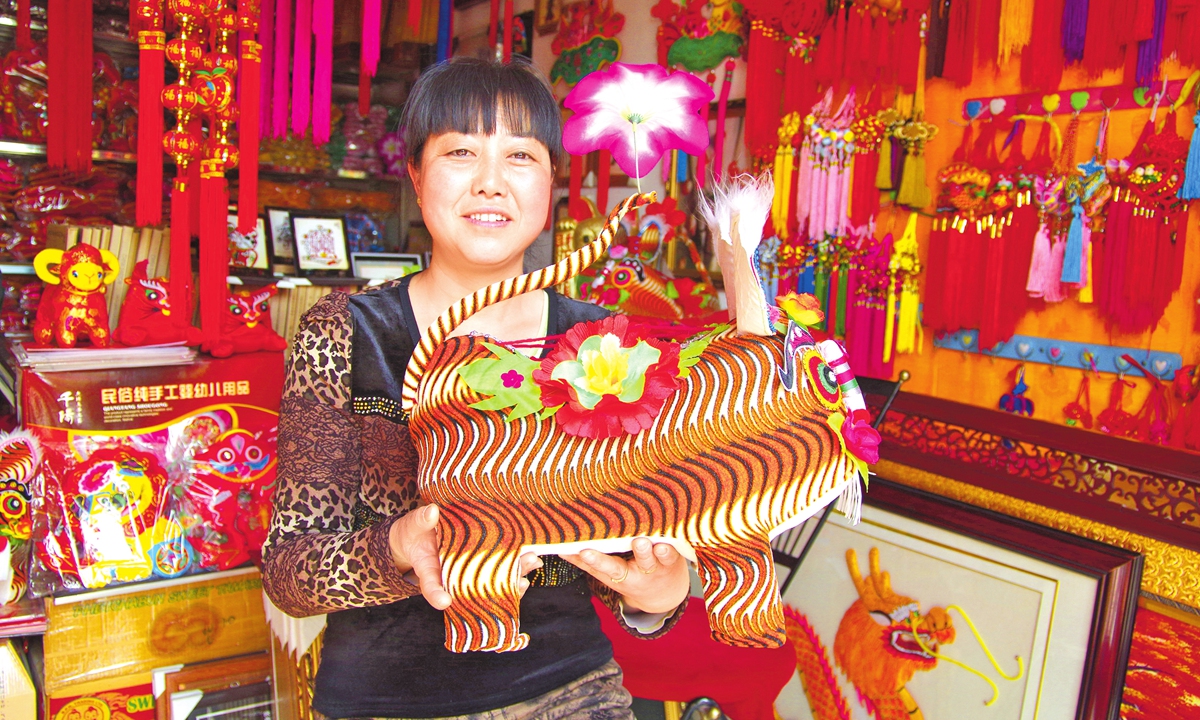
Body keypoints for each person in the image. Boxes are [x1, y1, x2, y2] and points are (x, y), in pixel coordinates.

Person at [262, 56, 692, 720]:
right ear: (415, 171)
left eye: (520, 157)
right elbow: (291, 573)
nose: (491, 183)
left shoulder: (605, 345)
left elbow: (633, 550)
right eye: (461, 151)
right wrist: (397, 548)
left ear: (552, 183)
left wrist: (656, 596)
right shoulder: (348, 334)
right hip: (385, 703)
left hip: (568, 692)